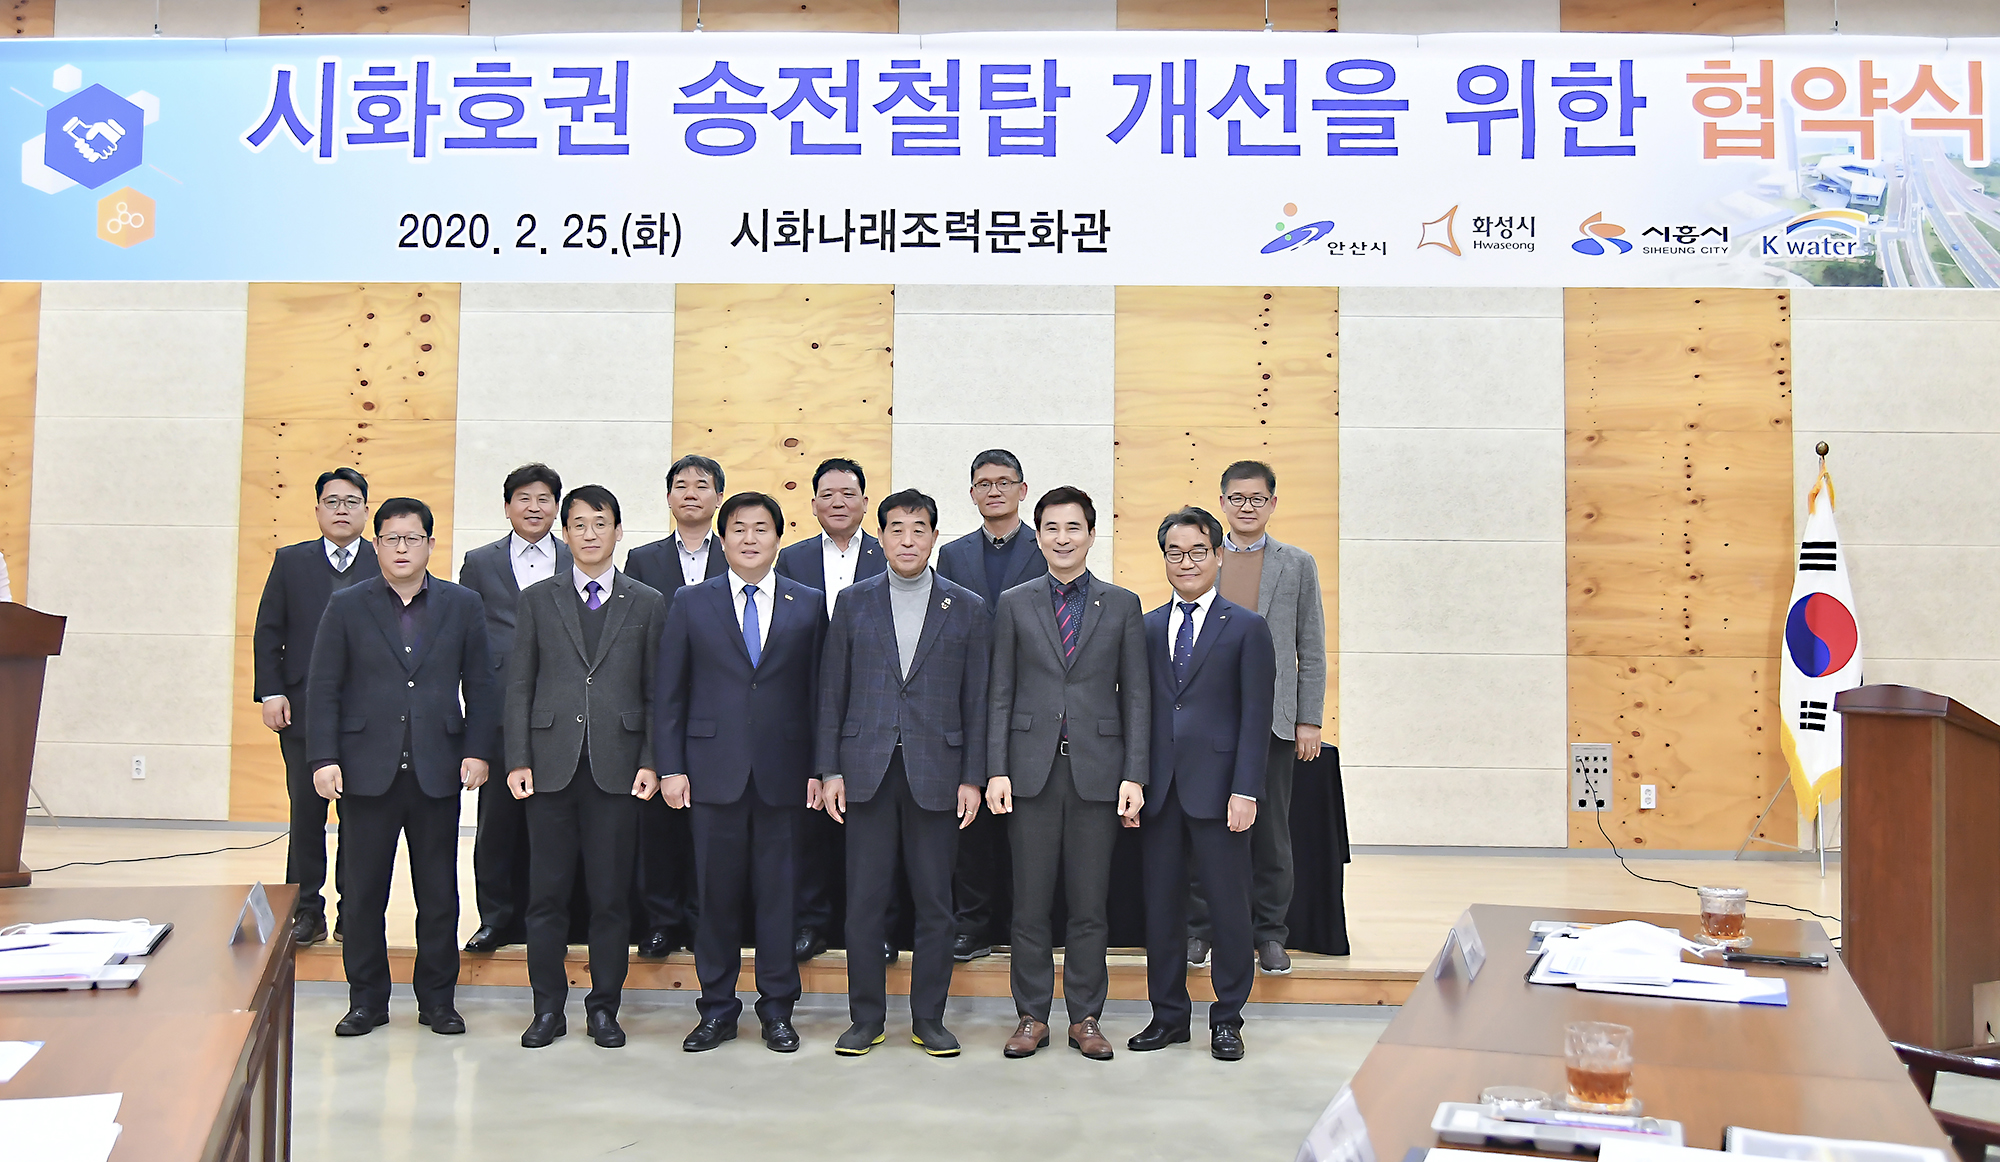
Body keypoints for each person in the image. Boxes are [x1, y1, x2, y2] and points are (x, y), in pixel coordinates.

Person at [307, 497, 497, 1038]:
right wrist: (323, 758)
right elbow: (323, 687)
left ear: (430, 544)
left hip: (438, 770)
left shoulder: (463, 604)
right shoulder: (347, 605)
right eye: (391, 538)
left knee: (438, 895)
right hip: (366, 771)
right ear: (376, 544)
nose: (401, 548)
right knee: (364, 895)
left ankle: (438, 1001)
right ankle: (367, 1001)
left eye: (412, 538)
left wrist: (478, 750)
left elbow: (482, 685)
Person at [816, 489, 987, 1058]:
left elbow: (977, 700)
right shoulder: (853, 601)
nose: (907, 540)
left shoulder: (966, 606)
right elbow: (832, 692)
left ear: (934, 537)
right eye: (896, 529)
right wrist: (829, 769)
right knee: (864, 902)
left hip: (938, 772)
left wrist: (973, 776)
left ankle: (929, 1019)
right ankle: (865, 1018)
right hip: (865, 770)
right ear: (882, 536)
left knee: (935, 903)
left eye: (919, 529)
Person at [655, 492, 828, 1054]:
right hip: (711, 773)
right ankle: (717, 1010)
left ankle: (777, 1010)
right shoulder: (691, 601)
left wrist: (821, 768)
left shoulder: (808, 602)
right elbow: (670, 693)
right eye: (738, 529)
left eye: (761, 529)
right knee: (715, 898)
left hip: (786, 774)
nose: (750, 538)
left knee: (780, 899)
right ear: (723, 538)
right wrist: (671, 766)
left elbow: (821, 694)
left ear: (778, 538)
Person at [985, 486, 1147, 1062]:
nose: (1062, 538)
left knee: (1089, 907)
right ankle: (1031, 1016)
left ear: (1091, 534)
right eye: (1051, 528)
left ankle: (1086, 1017)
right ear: (1039, 536)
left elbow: (1137, 697)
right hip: (1029, 773)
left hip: (1099, 774)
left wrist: (1135, 774)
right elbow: (999, 692)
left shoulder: (1122, 604)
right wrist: (995, 769)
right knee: (1029, 907)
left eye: (1073, 527)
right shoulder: (1015, 602)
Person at [505, 485, 667, 1049]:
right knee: (546, 897)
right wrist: (518, 758)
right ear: (564, 533)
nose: (590, 533)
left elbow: (656, 692)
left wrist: (651, 760)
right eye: (578, 524)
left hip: (618, 770)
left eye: (600, 523)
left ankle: (604, 1009)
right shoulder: (537, 598)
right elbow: (519, 684)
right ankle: (547, 1009)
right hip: (549, 768)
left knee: (610, 898)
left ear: (619, 532)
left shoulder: (647, 601)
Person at [1131, 507, 1275, 1062]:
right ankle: (1168, 1016)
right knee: (1161, 910)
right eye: (1175, 552)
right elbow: (1138, 710)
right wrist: (1134, 781)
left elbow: (1256, 716)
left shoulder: (1247, 627)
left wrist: (1247, 789)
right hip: (1160, 791)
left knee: (1229, 909)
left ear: (1217, 555)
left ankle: (1228, 1018)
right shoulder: (1145, 627)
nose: (1186, 562)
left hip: (1221, 793)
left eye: (1197, 552)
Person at [1187, 461, 1327, 977]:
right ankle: (1200, 929)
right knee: (1205, 826)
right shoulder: (1203, 557)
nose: (1247, 507)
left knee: (1271, 835)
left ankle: (1270, 933)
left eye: (1257, 498)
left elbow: (1311, 647)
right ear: (1222, 502)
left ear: (1272, 503)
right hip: (1210, 720)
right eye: (1237, 498)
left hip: (1273, 721)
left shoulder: (1298, 564)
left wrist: (1308, 719)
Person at [252, 467, 376, 947]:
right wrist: (271, 691)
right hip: (302, 708)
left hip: (366, 714)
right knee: (306, 814)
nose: (342, 510)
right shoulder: (291, 561)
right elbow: (269, 630)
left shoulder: (383, 560)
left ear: (366, 510)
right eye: (332, 501)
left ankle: (353, 911)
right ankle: (306, 911)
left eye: (351, 502)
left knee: (359, 817)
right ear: (318, 509)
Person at [935, 449, 1047, 963]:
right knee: (972, 818)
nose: (994, 490)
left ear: (1022, 490)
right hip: (969, 697)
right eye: (984, 483)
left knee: (1027, 819)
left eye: (1004, 482)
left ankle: (1027, 922)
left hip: (1031, 696)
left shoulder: (1046, 545)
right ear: (972, 493)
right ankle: (973, 923)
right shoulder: (953, 555)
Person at [776, 457, 887, 965]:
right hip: (806, 703)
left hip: (875, 704)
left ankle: (876, 926)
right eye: (828, 494)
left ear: (865, 502)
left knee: (873, 823)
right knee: (811, 819)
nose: (838, 502)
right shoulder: (791, 560)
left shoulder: (888, 555)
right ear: (813, 503)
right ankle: (811, 921)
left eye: (848, 494)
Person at [459, 464, 573, 955]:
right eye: (523, 498)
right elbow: (467, 638)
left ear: (557, 508)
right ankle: (496, 918)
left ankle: (557, 919)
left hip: (564, 710)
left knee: (557, 821)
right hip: (502, 710)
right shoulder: (479, 562)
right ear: (507, 507)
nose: (534, 507)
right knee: (499, 822)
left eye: (544, 498)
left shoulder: (576, 556)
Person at [622, 453, 728, 959]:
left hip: (719, 703)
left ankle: (708, 920)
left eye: (701, 485)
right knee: (661, 822)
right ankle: (662, 921)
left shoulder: (736, 552)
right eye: (681, 484)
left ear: (718, 497)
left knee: (712, 825)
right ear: (668, 497)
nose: (691, 492)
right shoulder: (643, 559)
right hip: (662, 699)